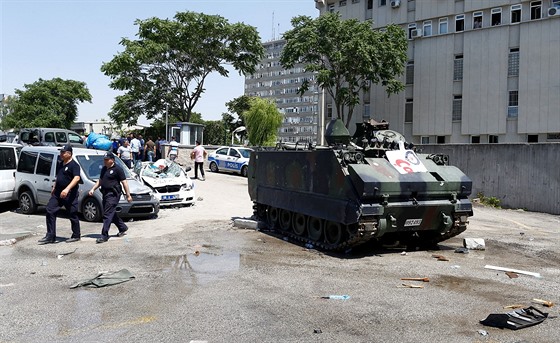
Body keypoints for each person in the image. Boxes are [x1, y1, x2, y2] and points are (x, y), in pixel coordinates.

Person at [38, 145, 81, 244]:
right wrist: (54, 186)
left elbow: (77, 178)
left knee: (72, 214)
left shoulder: (74, 165)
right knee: (50, 210)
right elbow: (59, 176)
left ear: (69, 154)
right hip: (58, 193)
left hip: (70, 194)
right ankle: (50, 235)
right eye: (61, 152)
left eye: (63, 152)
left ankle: (76, 235)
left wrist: (67, 189)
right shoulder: (61, 163)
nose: (61, 154)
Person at [88, 152, 132, 244]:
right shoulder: (104, 169)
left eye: (107, 159)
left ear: (112, 160)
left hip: (113, 194)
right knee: (110, 212)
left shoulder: (118, 169)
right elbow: (100, 181)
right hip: (105, 193)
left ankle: (104, 235)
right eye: (104, 159)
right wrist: (93, 189)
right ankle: (122, 227)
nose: (105, 161)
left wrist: (128, 195)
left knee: (107, 214)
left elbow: (124, 182)